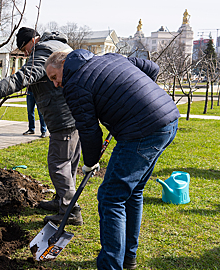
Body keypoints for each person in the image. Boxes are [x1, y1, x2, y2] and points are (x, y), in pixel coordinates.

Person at [45, 49, 180, 270]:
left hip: (142, 131)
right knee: (133, 191)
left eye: (54, 78)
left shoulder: (75, 84)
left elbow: (88, 131)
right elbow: (152, 68)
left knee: (110, 197)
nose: (55, 84)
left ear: (63, 65)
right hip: (167, 120)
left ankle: (110, 266)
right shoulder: (110, 57)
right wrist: (133, 100)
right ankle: (128, 257)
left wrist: (90, 162)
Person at [0, 27, 83, 225]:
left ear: (32, 41)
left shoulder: (43, 53)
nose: (26, 54)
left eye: (25, 49)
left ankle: (71, 211)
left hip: (64, 118)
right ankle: (61, 201)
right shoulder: (60, 46)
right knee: (69, 163)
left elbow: (23, 77)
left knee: (58, 165)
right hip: (77, 114)